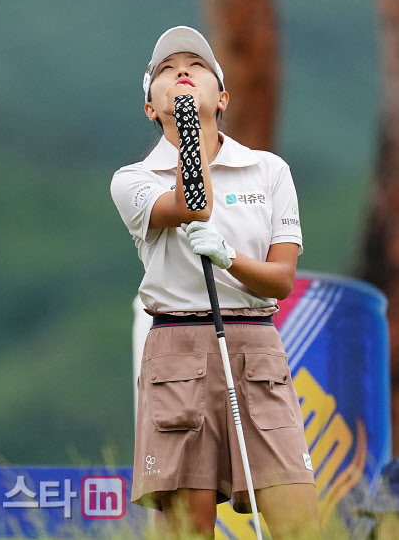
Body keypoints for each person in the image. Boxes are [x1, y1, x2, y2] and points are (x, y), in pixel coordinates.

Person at [110, 26, 319, 539]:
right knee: (190, 529)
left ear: (222, 96)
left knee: (299, 520)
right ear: (150, 108)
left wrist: (229, 260)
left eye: (196, 65)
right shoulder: (133, 178)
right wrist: (187, 132)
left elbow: (281, 280)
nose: (182, 72)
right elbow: (190, 205)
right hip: (176, 348)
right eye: (165, 70)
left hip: (257, 345)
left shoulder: (267, 170)